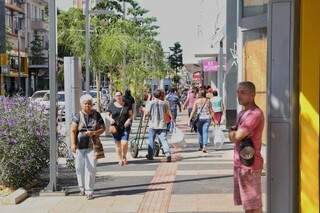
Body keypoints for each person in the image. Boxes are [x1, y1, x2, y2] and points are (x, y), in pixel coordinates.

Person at [229, 81, 264, 213]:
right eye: (238, 92)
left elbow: (236, 136)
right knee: (248, 206)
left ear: (252, 95)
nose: (239, 95)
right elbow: (234, 135)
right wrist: (234, 133)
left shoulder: (255, 114)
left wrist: (233, 132)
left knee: (254, 207)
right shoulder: (242, 114)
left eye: (242, 92)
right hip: (240, 164)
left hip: (250, 166)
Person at [70, 94, 106, 200]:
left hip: (92, 145)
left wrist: (94, 132)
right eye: (85, 104)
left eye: (89, 104)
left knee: (91, 168)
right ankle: (81, 188)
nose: (87, 106)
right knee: (79, 168)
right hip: (79, 146)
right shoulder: (77, 115)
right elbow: (73, 130)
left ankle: (89, 191)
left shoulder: (97, 115)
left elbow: (103, 128)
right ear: (81, 105)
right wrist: (73, 144)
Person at [144, 89, 172, 162]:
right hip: (162, 125)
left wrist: (144, 113)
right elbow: (167, 113)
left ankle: (150, 155)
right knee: (164, 140)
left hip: (152, 125)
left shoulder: (150, 103)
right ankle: (168, 154)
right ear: (160, 95)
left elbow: (147, 113)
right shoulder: (164, 103)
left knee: (151, 140)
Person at [106, 91, 133, 166]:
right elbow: (107, 115)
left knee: (124, 143)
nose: (118, 97)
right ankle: (120, 159)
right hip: (115, 127)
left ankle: (124, 156)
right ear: (115, 97)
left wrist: (128, 120)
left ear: (122, 96)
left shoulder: (127, 105)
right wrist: (110, 119)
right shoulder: (111, 105)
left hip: (125, 127)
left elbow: (131, 115)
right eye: (116, 96)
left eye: (119, 95)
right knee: (118, 144)